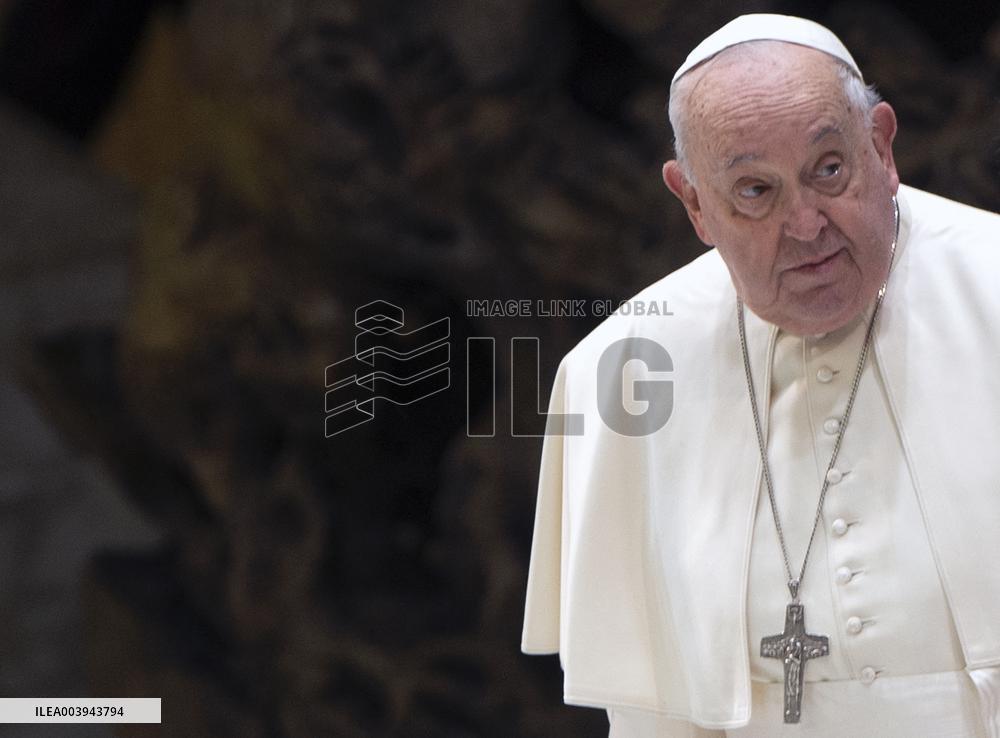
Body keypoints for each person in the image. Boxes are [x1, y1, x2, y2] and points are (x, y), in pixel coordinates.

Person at [520, 14, 1000, 737]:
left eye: (828, 170)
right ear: (694, 203)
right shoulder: (622, 369)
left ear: (881, 146)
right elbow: (652, 714)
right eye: (755, 191)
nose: (805, 224)